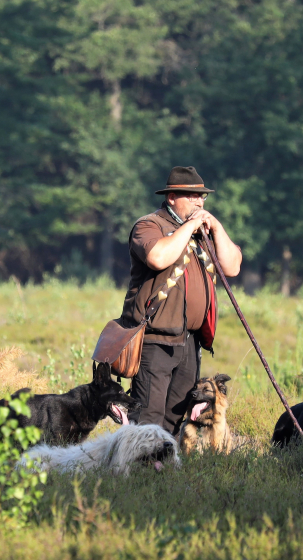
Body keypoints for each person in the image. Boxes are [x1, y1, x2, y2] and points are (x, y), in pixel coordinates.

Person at [121, 166, 242, 433]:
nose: (199, 202)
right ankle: (138, 472)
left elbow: (232, 267)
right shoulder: (149, 225)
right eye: (192, 196)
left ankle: (163, 471)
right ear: (172, 197)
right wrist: (189, 227)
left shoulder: (204, 231)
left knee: (175, 418)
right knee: (149, 416)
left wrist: (217, 227)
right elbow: (158, 257)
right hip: (154, 339)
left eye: (202, 197)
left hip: (190, 340)